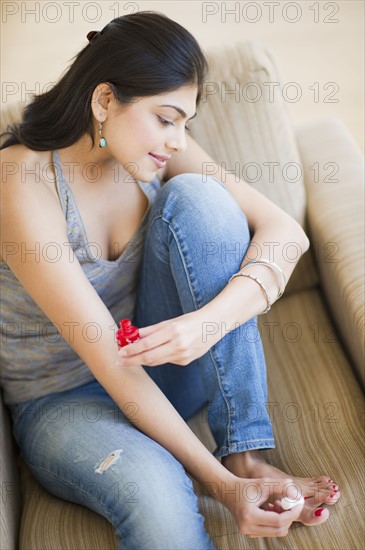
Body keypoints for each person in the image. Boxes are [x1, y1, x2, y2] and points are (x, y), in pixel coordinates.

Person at [0, 10, 340, 549]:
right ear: (105, 100)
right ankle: (228, 474)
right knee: (159, 504)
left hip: (161, 365)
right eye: (166, 117)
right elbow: (108, 358)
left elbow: (285, 233)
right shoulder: (22, 182)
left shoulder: (155, 157)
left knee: (205, 201)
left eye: (186, 122)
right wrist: (221, 489)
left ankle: (246, 453)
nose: (178, 141)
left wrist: (206, 325)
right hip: (65, 401)